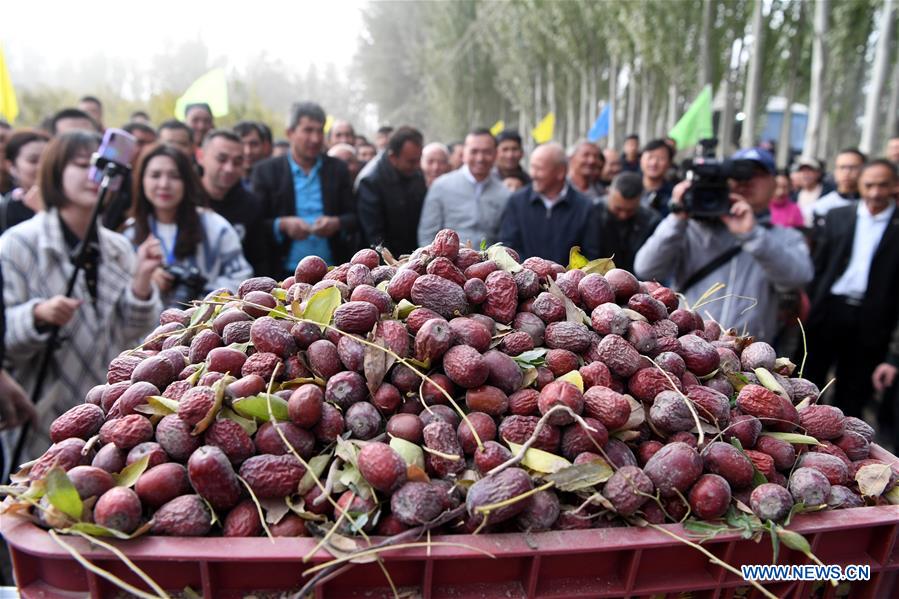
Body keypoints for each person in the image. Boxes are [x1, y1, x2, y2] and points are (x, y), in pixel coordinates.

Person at [0, 131, 162, 468]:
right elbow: (7, 336)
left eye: (105, 166)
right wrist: (37, 315)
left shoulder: (117, 247)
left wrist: (142, 284)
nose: (96, 175)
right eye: (81, 164)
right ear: (55, 170)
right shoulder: (17, 244)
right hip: (41, 413)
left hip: (104, 410)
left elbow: (132, 334)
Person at [634, 147, 814, 342]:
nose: (746, 181)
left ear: (774, 183)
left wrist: (753, 235)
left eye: (757, 174)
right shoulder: (690, 229)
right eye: (737, 175)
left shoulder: (784, 237)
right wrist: (677, 217)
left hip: (748, 352)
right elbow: (646, 268)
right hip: (692, 347)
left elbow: (799, 277)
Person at [803, 159, 899, 418]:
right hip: (829, 310)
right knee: (810, 382)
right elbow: (818, 267)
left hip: (873, 320)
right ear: (860, 185)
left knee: (854, 390)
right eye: (869, 185)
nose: (876, 192)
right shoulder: (838, 217)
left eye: (883, 185)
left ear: (894, 186)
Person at [125, 143, 252, 305]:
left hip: (203, 325)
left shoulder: (215, 227)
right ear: (141, 180)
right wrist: (145, 281)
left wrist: (202, 301)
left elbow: (241, 277)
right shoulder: (129, 234)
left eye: (174, 176)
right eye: (155, 175)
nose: (164, 184)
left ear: (187, 181)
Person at [252, 101, 358, 276]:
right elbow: (256, 224)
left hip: (333, 271)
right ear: (290, 133)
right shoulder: (266, 172)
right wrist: (283, 225)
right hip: (283, 272)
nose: (315, 139)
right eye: (308, 130)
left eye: (319, 131)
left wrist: (336, 223)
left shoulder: (337, 169)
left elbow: (354, 217)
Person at [500, 142, 599, 265]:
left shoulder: (585, 208)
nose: (533, 174)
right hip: (525, 279)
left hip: (567, 281)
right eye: (532, 167)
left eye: (539, 168)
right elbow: (508, 246)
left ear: (560, 172)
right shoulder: (517, 202)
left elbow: (591, 255)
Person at [418, 128, 511, 248]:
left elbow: (507, 239)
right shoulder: (441, 187)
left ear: (495, 154)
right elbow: (427, 235)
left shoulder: (505, 193)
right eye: (474, 152)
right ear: (464, 154)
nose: (480, 158)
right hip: (447, 262)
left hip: (490, 264)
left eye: (487, 152)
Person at [199, 130, 273, 278]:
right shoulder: (183, 200)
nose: (229, 168)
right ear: (201, 157)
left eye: (237, 162)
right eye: (221, 159)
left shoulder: (251, 205)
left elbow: (259, 259)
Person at [358, 127, 426, 256]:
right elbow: (374, 236)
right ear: (393, 157)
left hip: (413, 255)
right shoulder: (370, 181)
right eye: (411, 161)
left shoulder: (415, 173)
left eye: (419, 159)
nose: (417, 165)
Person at [593, 172, 661, 273]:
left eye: (630, 210)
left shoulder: (652, 221)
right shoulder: (591, 213)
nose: (623, 215)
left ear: (640, 200)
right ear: (608, 193)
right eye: (617, 209)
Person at [1, 129, 50, 231]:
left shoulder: (73, 202)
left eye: (48, 160)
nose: (42, 167)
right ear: (12, 167)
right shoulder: (7, 209)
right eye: (33, 160)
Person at [812, 149, 865, 226]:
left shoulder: (873, 204)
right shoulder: (822, 206)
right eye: (842, 167)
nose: (847, 172)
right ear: (835, 171)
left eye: (853, 167)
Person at [640, 139, 675, 215]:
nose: (654, 163)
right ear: (641, 159)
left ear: (669, 163)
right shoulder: (631, 187)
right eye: (650, 157)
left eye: (661, 158)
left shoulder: (673, 194)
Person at [792, 157, 827, 227]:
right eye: (802, 171)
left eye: (809, 170)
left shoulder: (827, 193)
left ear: (818, 173)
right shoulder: (793, 196)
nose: (805, 174)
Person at [233, 121, 267, 189]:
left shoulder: (276, 181)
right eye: (242, 144)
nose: (248, 151)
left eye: (254, 144)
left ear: (264, 146)